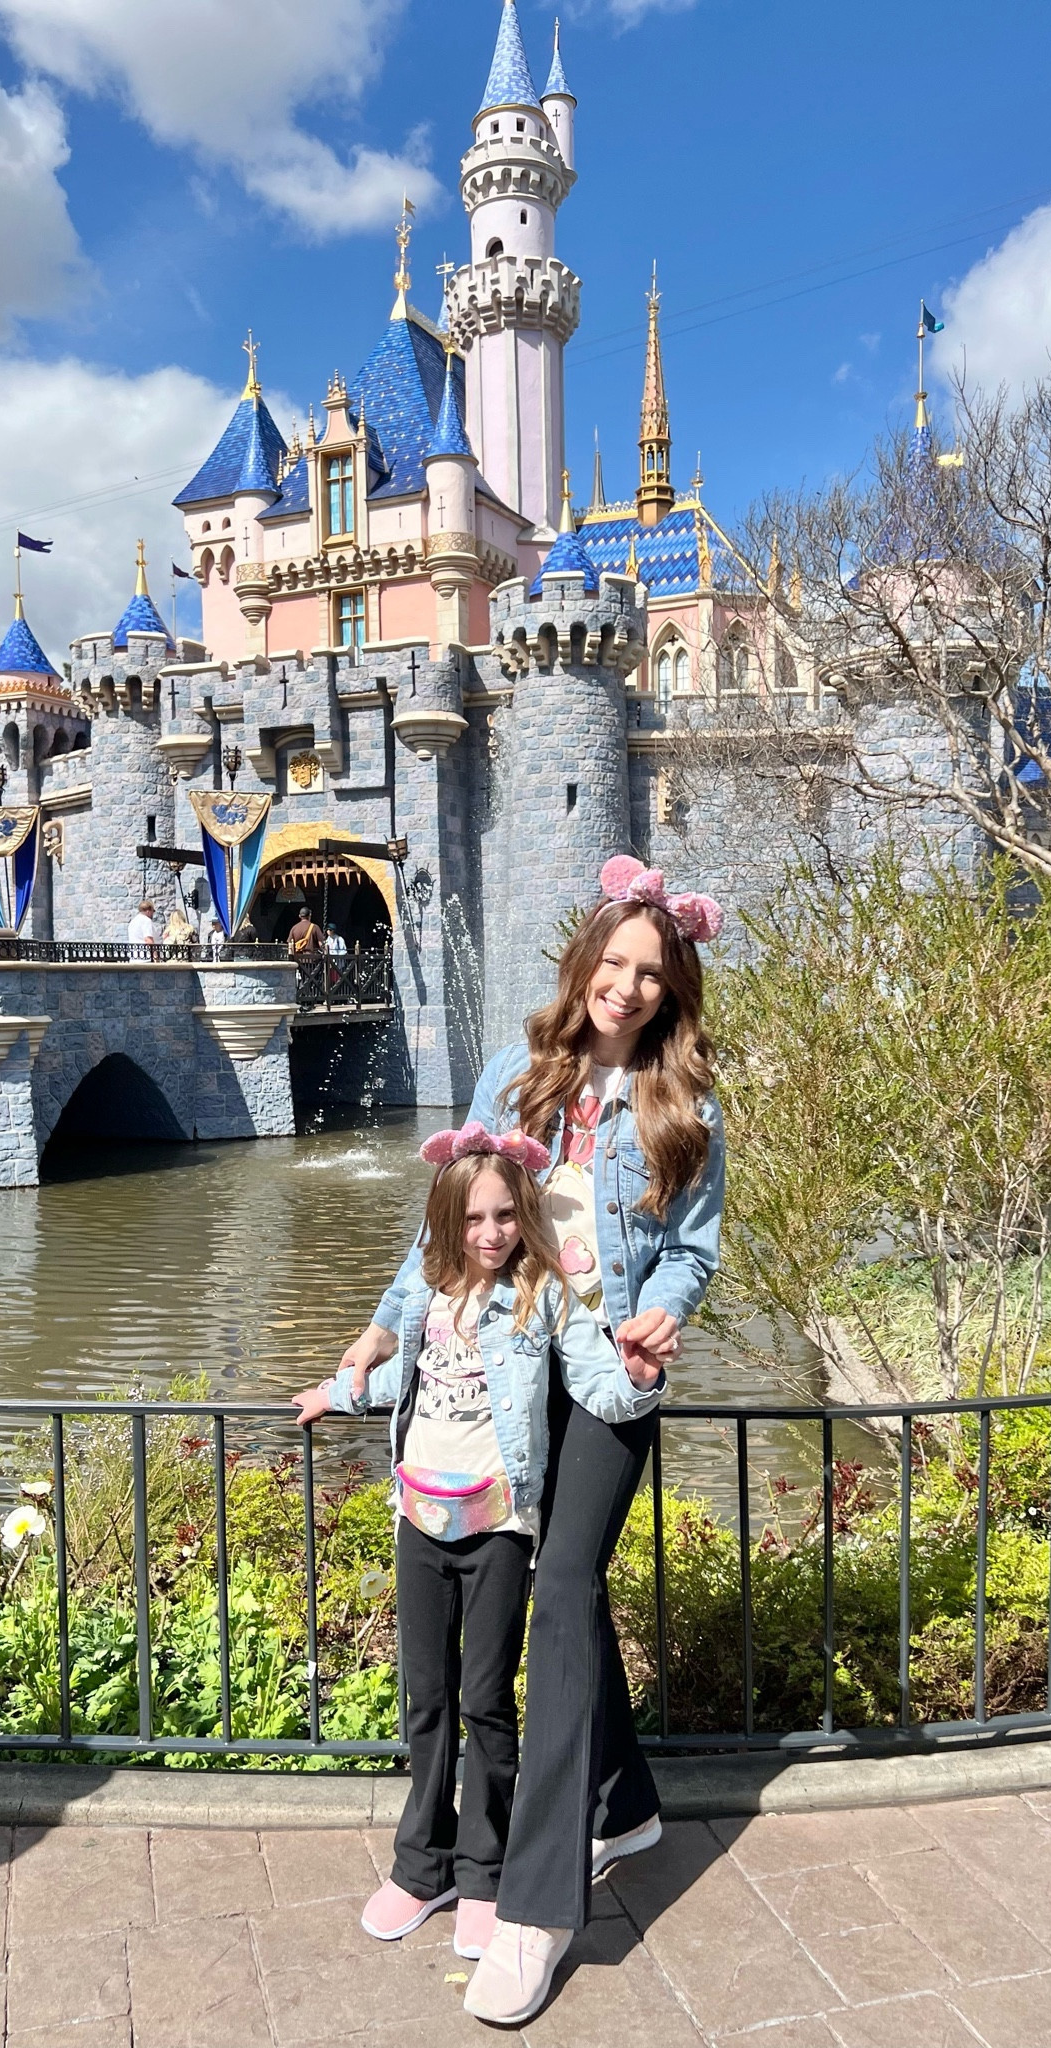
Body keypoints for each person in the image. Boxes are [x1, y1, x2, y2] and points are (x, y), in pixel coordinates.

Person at [340, 853, 726, 2025]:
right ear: (586, 962)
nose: (627, 987)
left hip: (608, 1372)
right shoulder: (519, 1070)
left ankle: (538, 1905)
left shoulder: (685, 1106)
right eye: (614, 963)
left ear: (673, 989)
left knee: (559, 1593)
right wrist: (374, 1332)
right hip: (509, 1371)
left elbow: (699, 1248)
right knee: (567, 1595)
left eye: (651, 974)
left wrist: (670, 1305)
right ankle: (630, 1805)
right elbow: (450, 1227)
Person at [293, 1123, 665, 1968]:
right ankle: (422, 1866)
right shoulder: (427, 1299)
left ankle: (485, 1871)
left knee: (485, 1704)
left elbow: (598, 1386)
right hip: (419, 1517)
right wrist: (334, 1391)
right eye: (473, 1219)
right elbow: (400, 1381)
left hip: (498, 1525)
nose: (491, 1232)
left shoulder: (544, 1300)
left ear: (524, 1215)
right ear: (446, 1221)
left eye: (505, 1215)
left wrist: (640, 1377)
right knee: (425, 1699)